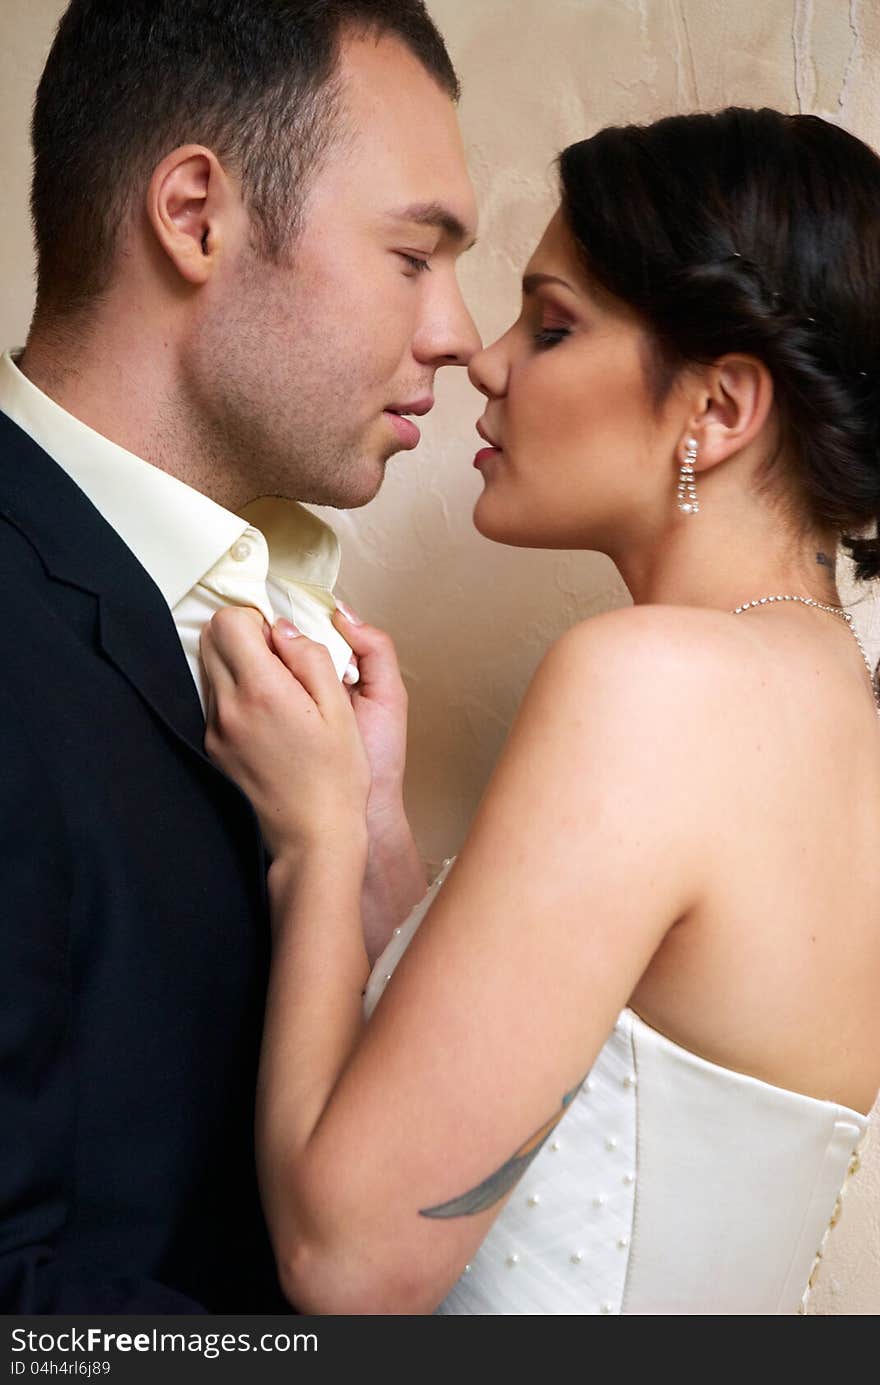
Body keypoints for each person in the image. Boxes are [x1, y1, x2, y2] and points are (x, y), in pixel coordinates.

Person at [202, 107, 880, 1315]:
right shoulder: (832, 705)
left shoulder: (651, 681)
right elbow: (592, 1090)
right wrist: (384, 843)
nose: (486, 358)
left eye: (553, 324)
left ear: (718, 409)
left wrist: (318, 843)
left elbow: (348, 1262)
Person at [0, 0, 478, 1312]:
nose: (460, 335)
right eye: (412, 255)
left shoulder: (287, 617)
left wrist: (363, 856)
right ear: (196, 214)